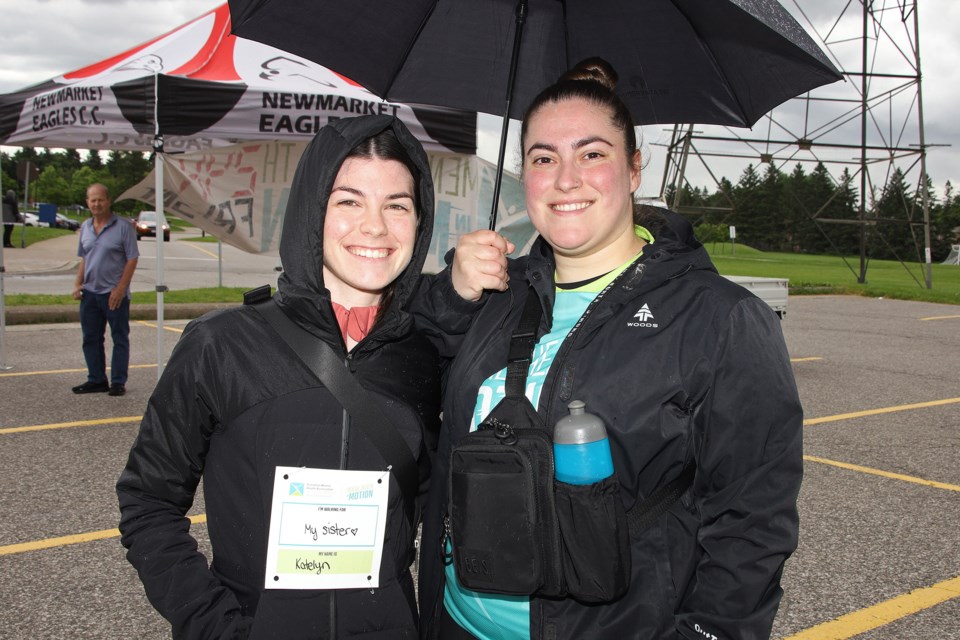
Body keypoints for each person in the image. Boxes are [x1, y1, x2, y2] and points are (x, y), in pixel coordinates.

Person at [414, 58, 804, 640]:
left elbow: (753, 517)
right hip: (456, 621)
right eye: (544, 158)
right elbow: (412, 377)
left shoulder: (719, 319)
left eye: (592, 153)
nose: (566, 178)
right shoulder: (496, 291)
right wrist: (451, 297)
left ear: (633, 168)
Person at [116, 115, 458, 639]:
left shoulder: (423, 355)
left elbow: (429, 509)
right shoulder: (223, 343)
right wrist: (217, 627)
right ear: (310, 211)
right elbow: (148, 502)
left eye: (397, 205)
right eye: (349, 201)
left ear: (421, 220)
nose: (376, 226)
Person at [71, 184, 139, 396]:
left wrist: (120, 288)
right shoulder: (86, 227)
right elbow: (85, 258)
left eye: (100, 199)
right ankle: (96, 379)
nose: (97, 204)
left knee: (119, 337)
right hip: (90, 294)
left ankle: (118, 381)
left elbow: (132, 258)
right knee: (91, 338)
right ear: (87, 203)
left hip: (113, 294)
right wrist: (77, 284)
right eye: (93, 200)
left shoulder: (123, 226)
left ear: (108, 201)